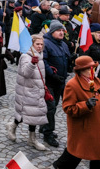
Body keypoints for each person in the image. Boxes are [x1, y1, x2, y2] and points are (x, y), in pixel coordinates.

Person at [52, 56, 100, 168]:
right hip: (84, 128)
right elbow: (68, 108)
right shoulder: (72, 84)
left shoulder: (96, 80)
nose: (93, 71)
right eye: (89, 69)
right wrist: (86, 105)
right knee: (77, 152)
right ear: (80, 70)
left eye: (93, 68)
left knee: (99, 155)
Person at [7, 34, 48, 151]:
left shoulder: (40, 55)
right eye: (37, 44)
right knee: (25, 113)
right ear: (31, 44)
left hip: (37, 91)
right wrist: (32, 64)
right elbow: (26, 73)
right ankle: (13, 126)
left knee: (34, 115)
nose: (40, 46)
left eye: (41, 44)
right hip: (27, 92)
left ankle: (31, 139)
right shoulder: (25, 56)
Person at [41, 19, 71, 147]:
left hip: (61, 81)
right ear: (52, 31)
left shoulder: (63, 44)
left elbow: (66, 59)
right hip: (49, 82)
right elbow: (44, 62)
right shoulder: (46, 43)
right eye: (58, 30)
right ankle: (48, 133)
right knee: (51, 107)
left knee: (53, 106)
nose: (61, 33)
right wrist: (53, 75)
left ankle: (43, 126)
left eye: (62, 30)